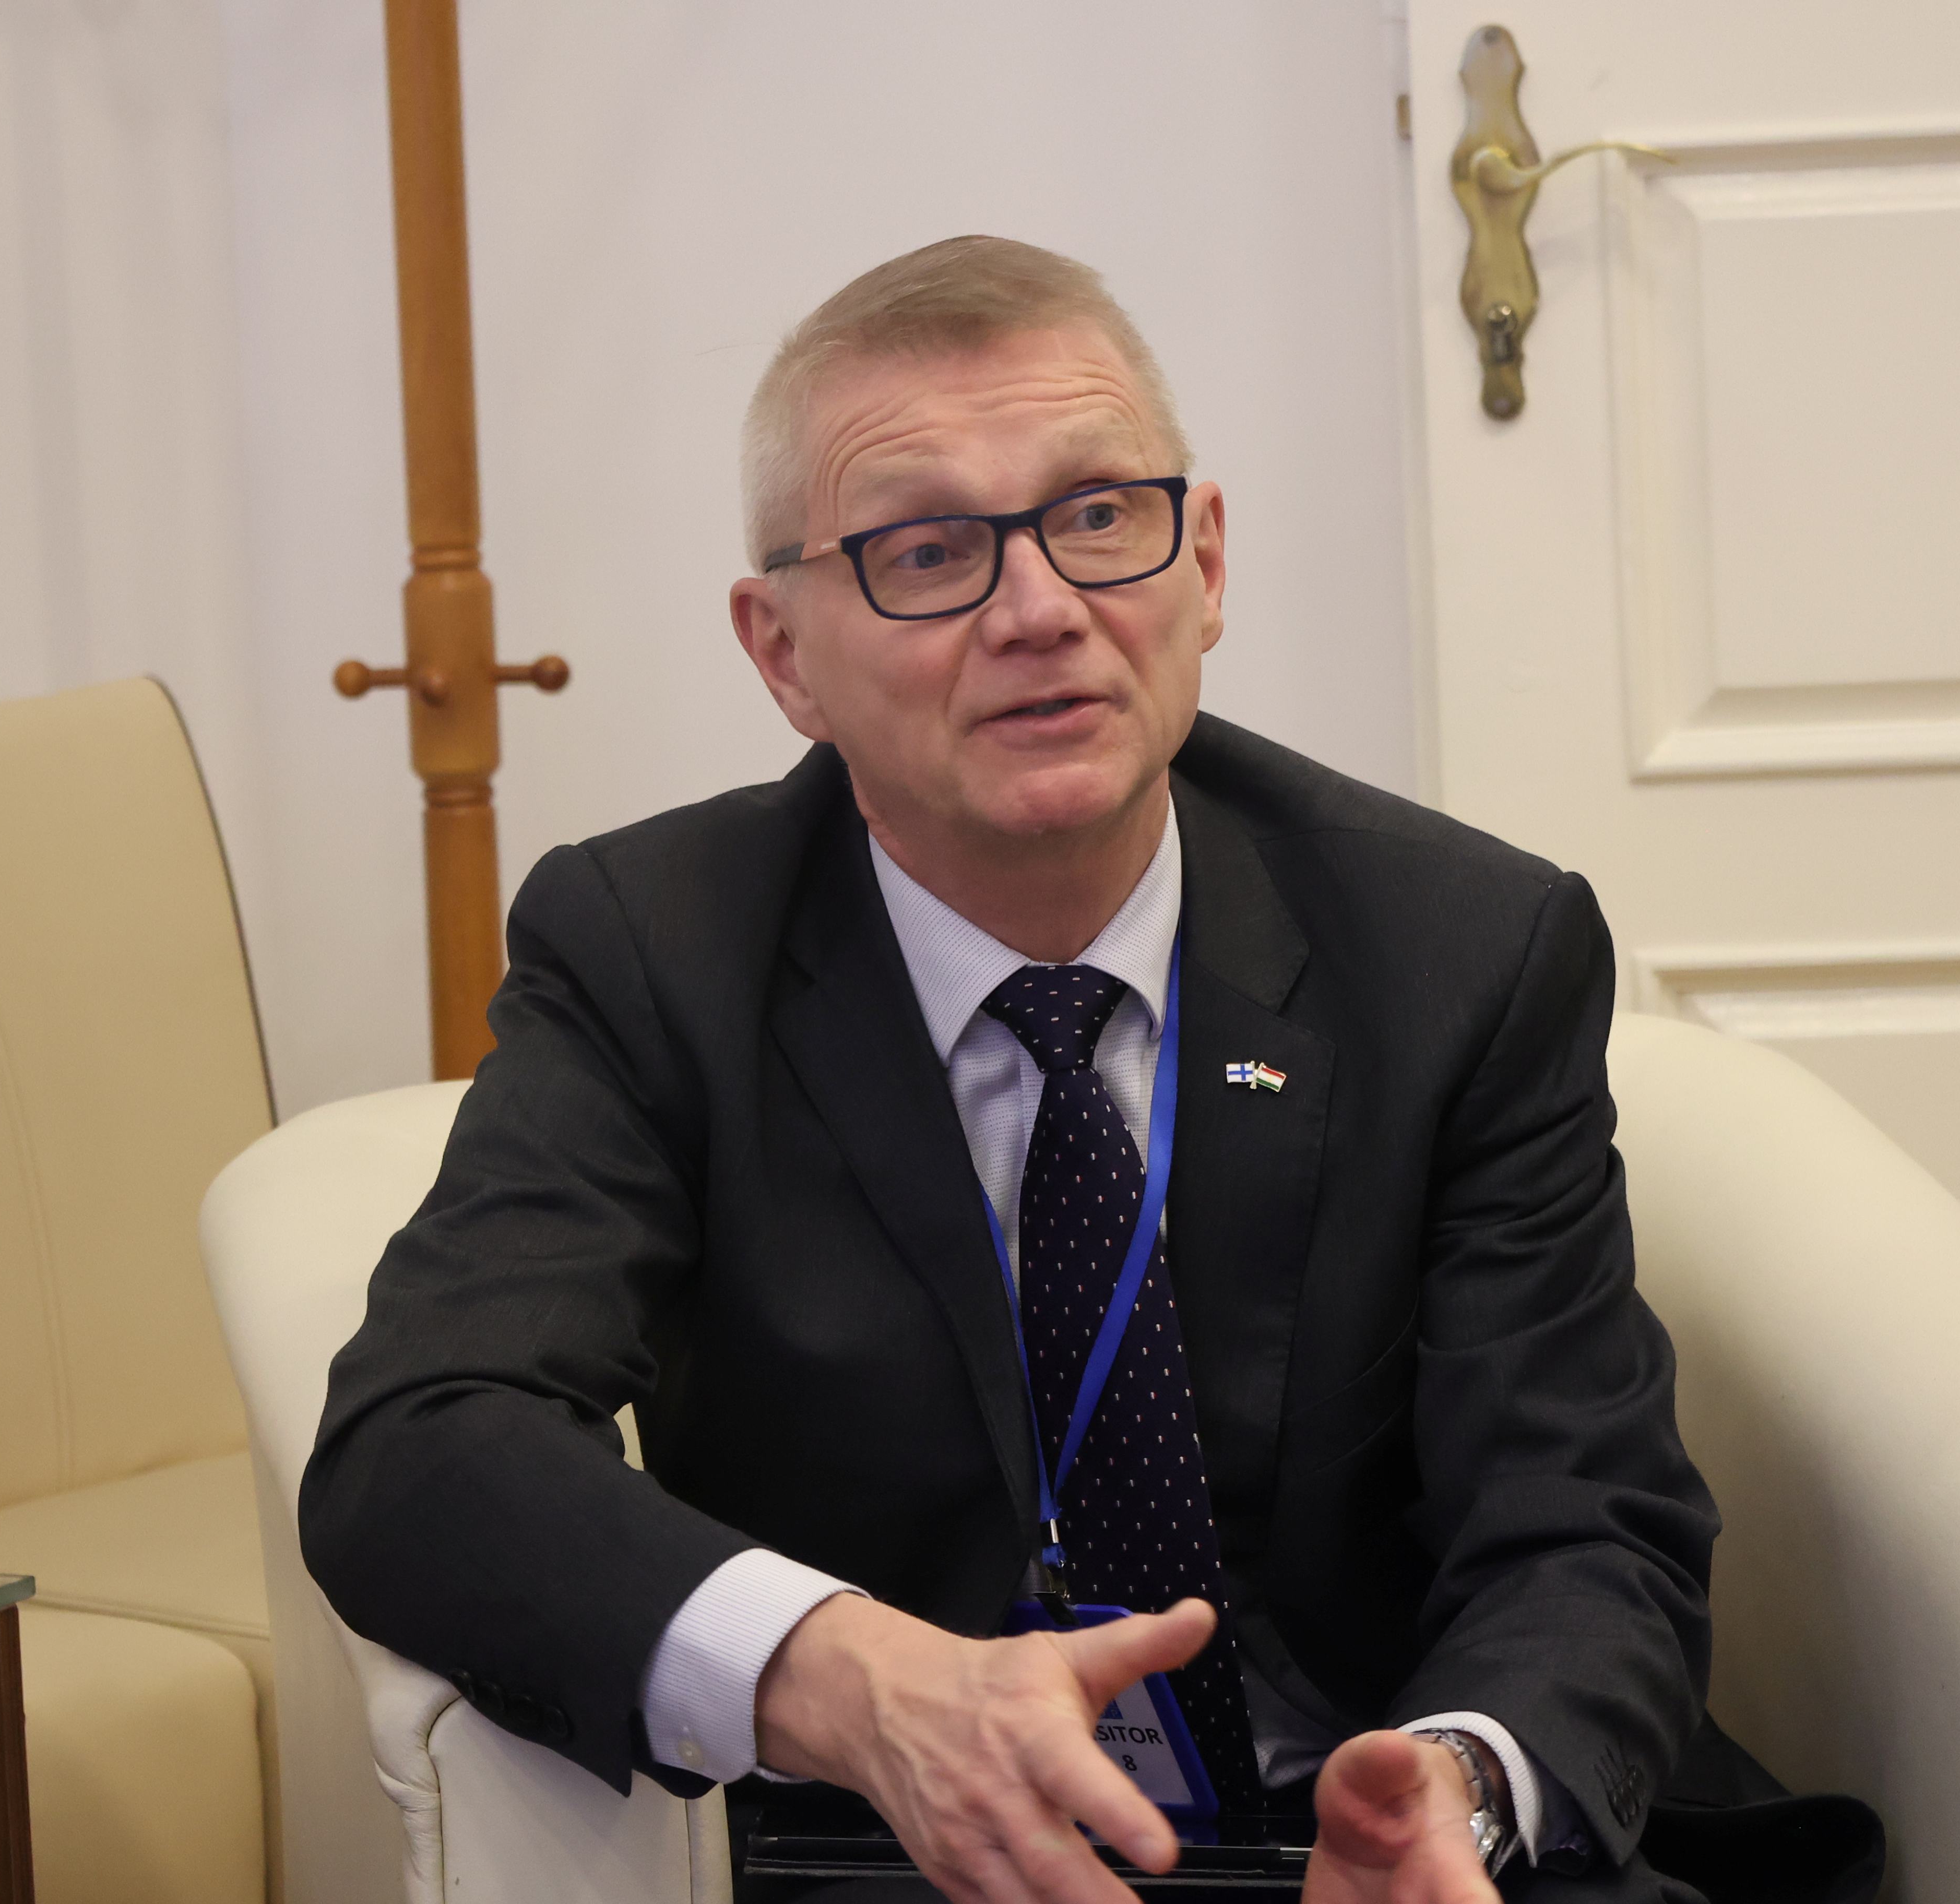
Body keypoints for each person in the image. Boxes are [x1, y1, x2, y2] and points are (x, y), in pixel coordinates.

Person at [305, 236, 1738, 1904]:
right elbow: (420, 1443)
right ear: (782, 657)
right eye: (927, 552)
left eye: (1100, 518)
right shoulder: (652, 951)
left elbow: (1586, 1520)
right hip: (897, 1857)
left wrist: (1457, 1792)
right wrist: (853, 1681)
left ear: (1204, 565)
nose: (1042, 609)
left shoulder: (1463, 951)